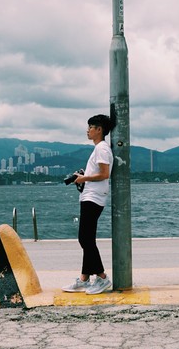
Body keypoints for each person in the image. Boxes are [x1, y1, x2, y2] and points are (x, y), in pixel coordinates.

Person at [62, 114, 115, 295]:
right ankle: (84, 279)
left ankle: (102, 277)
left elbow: (104, 174)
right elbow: (99, 172)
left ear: (99, 130)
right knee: (87, 239)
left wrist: (84, 178)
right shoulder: (100, 148)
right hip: (91, 196)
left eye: (91, 127)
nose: (88, 130)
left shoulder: (102, 148)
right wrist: (84, 176)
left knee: (85, 239)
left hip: (93, 197)